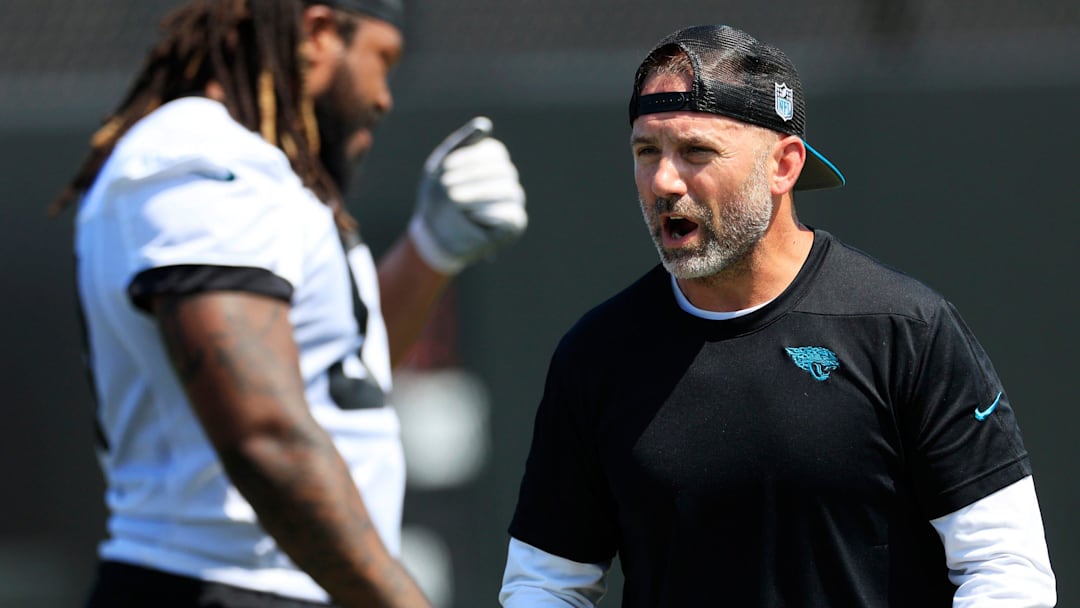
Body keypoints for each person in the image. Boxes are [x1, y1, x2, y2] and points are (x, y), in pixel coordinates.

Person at [500, 24, 1055, 607]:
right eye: (647, 152)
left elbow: (1005, 568)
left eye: (696, 151)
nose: (663, 181)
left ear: (784, 166)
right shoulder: (597, 356)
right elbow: (545, 585)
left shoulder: (905, 330)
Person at [51, 0, 527, 606]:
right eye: (382, 60)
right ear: (319, 33)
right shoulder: (200, 155)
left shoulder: (255, 174)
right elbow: (266, 436)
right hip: (218, 588)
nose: (383, 97)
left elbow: (324, 377)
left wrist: (430, 250)